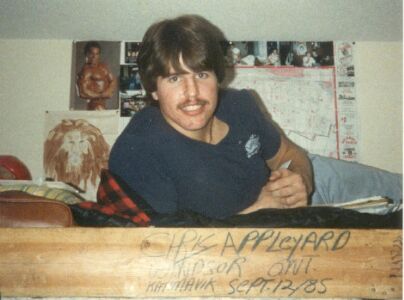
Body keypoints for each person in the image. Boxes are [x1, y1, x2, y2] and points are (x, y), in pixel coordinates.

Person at [109, 15, 402, 220]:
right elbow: (171, 249)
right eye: (174, 79)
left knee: (398, 190)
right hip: (248, 237)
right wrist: (259, 211)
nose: (192, 93)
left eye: (201, 74)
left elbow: (290, 153)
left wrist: (300, 179)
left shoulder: (239, 104)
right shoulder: (138, 151)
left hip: (314, 186)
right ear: (154, 89)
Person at [77, 41, 117, 110]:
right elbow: (82, 92)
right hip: (94, 105)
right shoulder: (86, 71)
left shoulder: (103, 67)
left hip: (103, 103)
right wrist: (101, 95)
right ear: (87, 54)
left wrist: (108, 91)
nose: (94, 57)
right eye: (91, 54)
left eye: (97, 54)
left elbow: (113, 80)